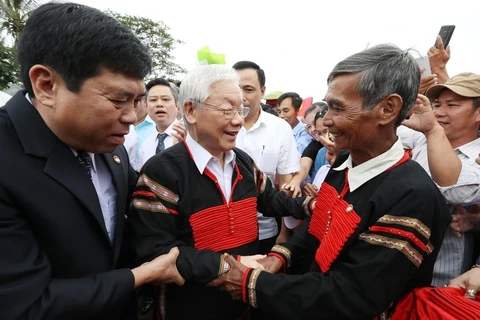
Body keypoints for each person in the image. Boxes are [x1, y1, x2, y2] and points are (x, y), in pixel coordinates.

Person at [209, 44, 451, 319]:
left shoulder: (412, 196)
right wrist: (280, 255)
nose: (325, 122)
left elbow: (352, 295)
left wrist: (251, 284)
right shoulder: (344, 162)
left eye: (337, 108)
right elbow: (319, 222)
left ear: (388, 109)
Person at [0, 3, 184, 320]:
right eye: (117, 100)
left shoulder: (109, 147)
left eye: (137, 100)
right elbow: (26, 305)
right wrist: (144, 275)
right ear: (46, 85)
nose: (131, 117)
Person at [127, 65, 315, 320]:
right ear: (191, 111)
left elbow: (271, 201)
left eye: (241, 109)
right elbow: (155, 249)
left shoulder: (244, 163)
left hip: (245, 302)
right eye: (227, 110)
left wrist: (308, 206)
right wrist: (226, 266)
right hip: (190, 306)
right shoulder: (161, 172)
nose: (238, 120)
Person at [399, 72, 480, 287]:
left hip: (442, 276)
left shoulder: (433, 134)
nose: (438, 112)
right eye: (436, 104)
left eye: (451, 105)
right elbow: (378, 128)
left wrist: (433, 131)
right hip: (397, 266)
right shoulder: (421, 139)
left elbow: (457, 191)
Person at [232, 60, 300, 254]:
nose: (241, 97)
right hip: (224, 232)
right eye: (236, 89)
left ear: (262, 91)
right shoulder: (217, 124)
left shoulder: (280, 129)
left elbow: (286, 185)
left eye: (248, 89)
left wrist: (284, 233)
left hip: (265, 232)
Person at [138, 78, 185, 168]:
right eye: (153, 100)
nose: (159, 104)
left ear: (177, 106)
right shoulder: (145, 146)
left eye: (165, 99)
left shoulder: (190, 138)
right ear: (145, 105)